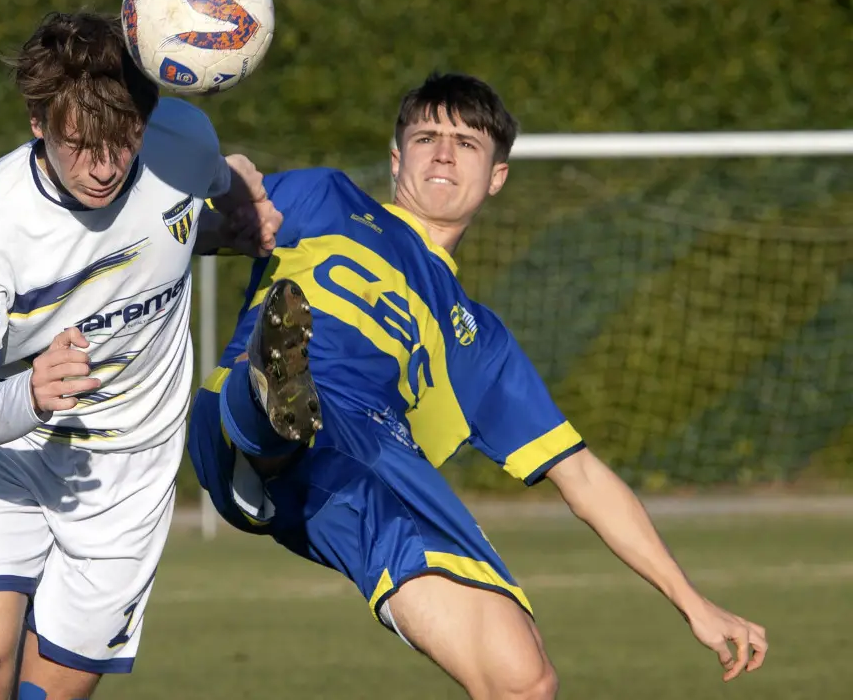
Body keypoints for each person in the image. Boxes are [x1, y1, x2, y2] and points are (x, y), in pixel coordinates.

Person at [187, 72, 768, 699]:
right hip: (253, 417)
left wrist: (693, 602)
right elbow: (175, 226)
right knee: (288, 400)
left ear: (497, 176)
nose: (442, 152)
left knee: (524, 678)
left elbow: (583, 477)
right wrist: (218, 183)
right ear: (395, 156)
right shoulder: (322, 195)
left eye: (466, 143)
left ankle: (272, 422)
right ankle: (269, 405)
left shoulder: (479, 342)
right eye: (427, 136)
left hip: (371, 462)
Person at [0, 10, 282, 700]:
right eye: (79, 143)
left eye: (122, 141)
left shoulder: (179, 141)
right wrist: (27, 393)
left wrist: (238, 212)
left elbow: (188, 207)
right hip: (5, 454)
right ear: (37, 123)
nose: (104, 166)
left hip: (126, 469)